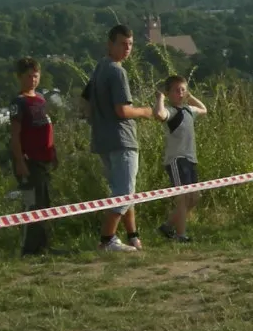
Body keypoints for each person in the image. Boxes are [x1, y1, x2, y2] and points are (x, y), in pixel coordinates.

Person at [87, 23, 154, 253]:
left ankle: (133, 236)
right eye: (123, 44)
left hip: (102, 138)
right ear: (110, 44)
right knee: (124, 192)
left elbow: (84, 102)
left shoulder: (99, 68)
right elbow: (123, 111)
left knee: (125, 190)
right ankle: (107, 240)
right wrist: (145, 112)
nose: (127, 49)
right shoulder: (117, 71)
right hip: (121, 139)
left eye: (130, 44)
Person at [9, 57, 56, 256]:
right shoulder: (18, 103)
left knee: (45, 204)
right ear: (20, 77)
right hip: (30, 161)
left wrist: (53, 155)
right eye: (29, 76)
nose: (33, 80)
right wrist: (20, 161)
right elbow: (15, 135)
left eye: (36, 76)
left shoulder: (41, 100)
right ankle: (29, 249)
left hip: (45, 159)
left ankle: (43, 246)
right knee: (33, 204)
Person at [154, 74, 208, 243]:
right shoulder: (171, 112)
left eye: (183, 90)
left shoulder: (188, 110)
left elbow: (204, 109)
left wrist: (190, 96)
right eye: (176, 91)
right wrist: (160, 98)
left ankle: (167, 226)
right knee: (183, 198)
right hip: (177, 160)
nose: (180, 93)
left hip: (191, 159)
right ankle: (180, 235)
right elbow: (159, 114)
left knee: (194, 198)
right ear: (169, 93)